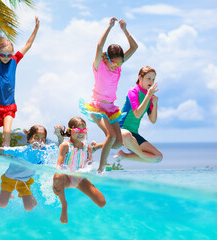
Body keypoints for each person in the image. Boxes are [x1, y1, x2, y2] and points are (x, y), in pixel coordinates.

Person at [79, 17, 138, 173]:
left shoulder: (117, 68)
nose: (116, 65)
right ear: (108, 58)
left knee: (118, 143)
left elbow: (134, 47)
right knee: (111, 137)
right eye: (114, 62)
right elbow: (99, 46)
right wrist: (109, 27)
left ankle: (95, 147)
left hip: (111, 109)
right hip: (98, 106)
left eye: (119, 63)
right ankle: (100, 168)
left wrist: (125, 30)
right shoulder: (99, 66)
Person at [0, 125, 61, 211]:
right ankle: (10, 194)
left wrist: (59, 136)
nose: (39, 141)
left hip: (24, 182)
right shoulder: (21, 150)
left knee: (29, 208)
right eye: (36, 137)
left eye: (42, 139)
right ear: (29, 138)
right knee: (2, 204)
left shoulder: (44, 152)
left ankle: (29, 196)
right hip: (9, 180)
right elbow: (0, 150)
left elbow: (60, 149)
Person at [0, 11, 40, 147]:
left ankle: (6, 153)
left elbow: (27, 45)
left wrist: (36, 29)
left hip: (9, 105)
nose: (6, 57)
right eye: (3, 54)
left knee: (7, 132)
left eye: (9, 55)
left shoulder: (14, 61)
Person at [53, 117, 106, 224]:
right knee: (57, 177)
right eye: (77, 130)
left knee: (101, 202)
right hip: (66, 178)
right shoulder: (65, 146)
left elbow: (89, 166)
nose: (81, 133)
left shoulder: (88, 148)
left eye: (84, 130)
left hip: (80, 179)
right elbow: (59, 166)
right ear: (70, 131)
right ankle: (64, 205)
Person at [115, 66, 163, 163]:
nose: (151, 81)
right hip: (121, 131)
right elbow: (137, 114)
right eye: (148, 78)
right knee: (127, 134)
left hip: (134, 135)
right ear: (140, 78)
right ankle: (141, 154)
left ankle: (124, 155)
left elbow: (153, 120)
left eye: (153, 79)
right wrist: (148, 95)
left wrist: (155, 104)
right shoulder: (133, 91)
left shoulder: (149, 97)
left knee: (158, 157)